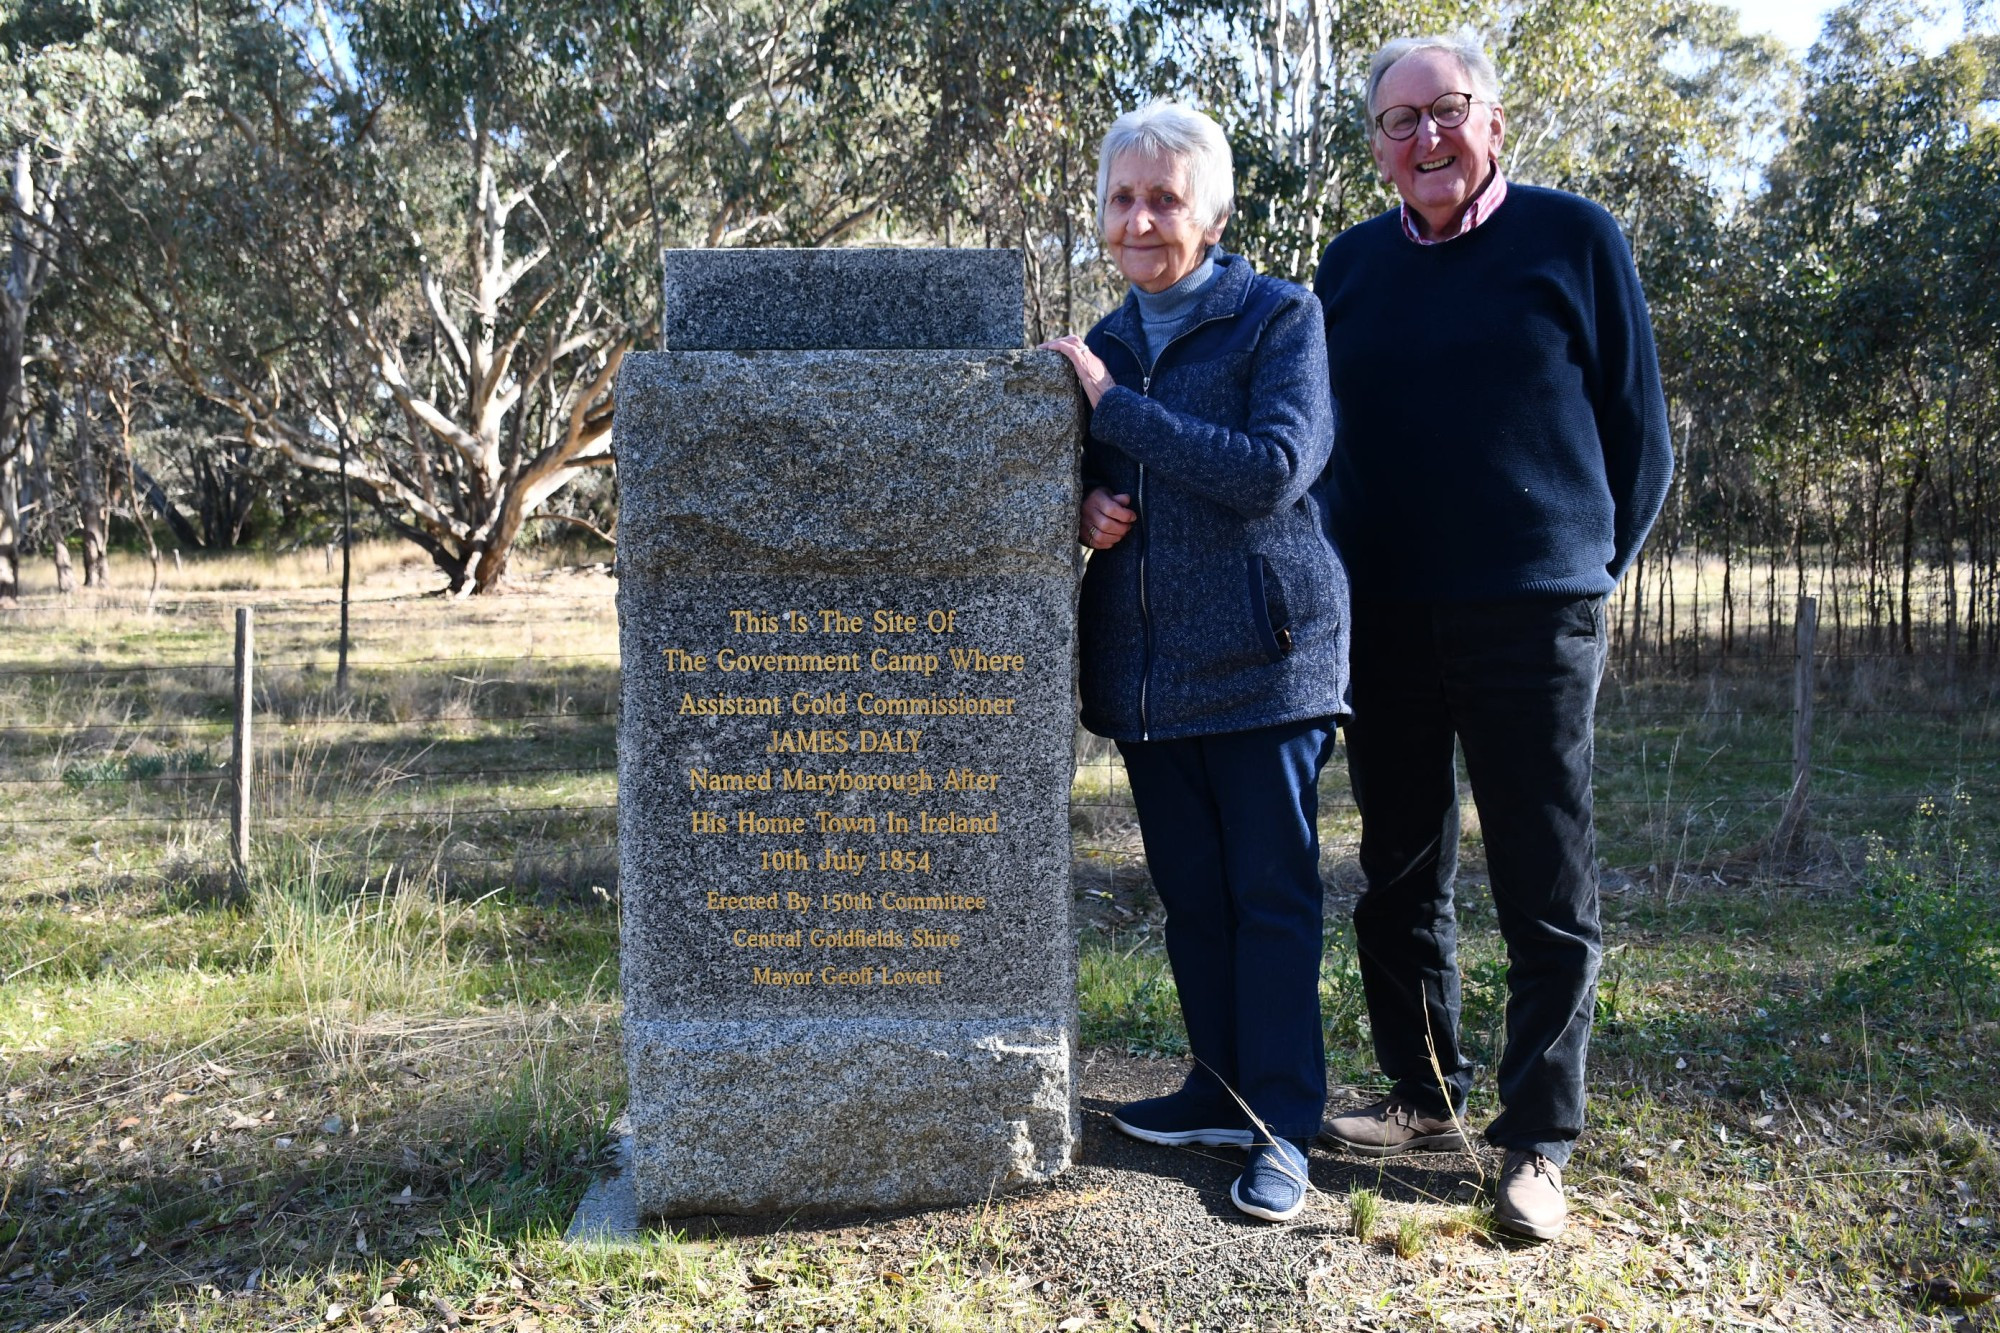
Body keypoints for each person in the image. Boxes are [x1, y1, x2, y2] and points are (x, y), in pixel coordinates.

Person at [1311, 33, 1672, 1241]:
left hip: (1533, 614)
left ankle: (1534, 1140)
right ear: (1373, 147)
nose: (1423, 139)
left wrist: (1582, 572)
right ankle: (1420, 1096)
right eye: (1397, 122)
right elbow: (1322, 446)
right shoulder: (1346, 267)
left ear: (1492, 124)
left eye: (1446, 113)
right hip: (1387, 615)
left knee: (1540, 876)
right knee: (1398, 871)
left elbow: (1641, 440)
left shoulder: (1574, 239)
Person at [1040, 101, 1348, 1224]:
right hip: (1150, 676)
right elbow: (1077, 478)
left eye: (1163, 198)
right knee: (1193, 901)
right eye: (1122, 198)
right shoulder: (1097, 344)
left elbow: (1272, 467)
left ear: (1212, 214)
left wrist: (1124, 411)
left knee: (1270, 901)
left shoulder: (1280, 318)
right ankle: (1214, 1090)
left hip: (1267, 667)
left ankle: (1281, 1126)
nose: (1138, 218)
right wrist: (1075, 503)